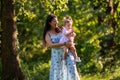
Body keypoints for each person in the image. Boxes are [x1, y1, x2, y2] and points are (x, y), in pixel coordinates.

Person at [43, 14, 80, 80]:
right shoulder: (48, 33)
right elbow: (51, 45)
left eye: (57, 20)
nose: (56, 22)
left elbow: (69, 35)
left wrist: (72, 37)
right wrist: (64, 43)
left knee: (72, 69)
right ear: (49, 22)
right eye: (54, 21)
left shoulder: (61, 29)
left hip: (67, 52)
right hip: (56, 56)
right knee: (59, 75)